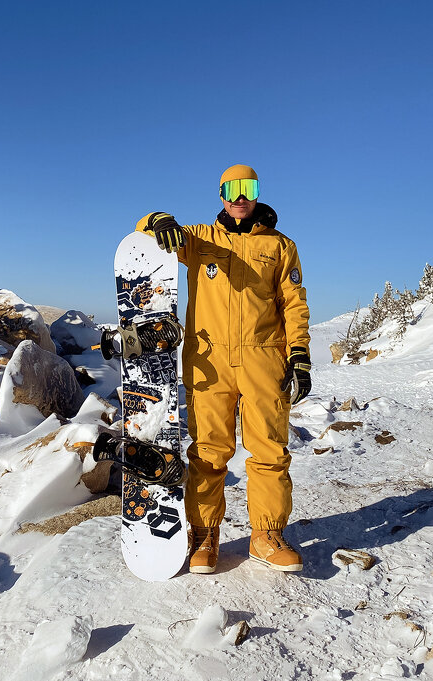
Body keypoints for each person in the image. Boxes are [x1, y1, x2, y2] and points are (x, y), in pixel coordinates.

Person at [136, 164, 312, 574]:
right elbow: (142, 237)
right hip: (208, 359)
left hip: (264, 358)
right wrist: (158, 220)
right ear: (220, 194)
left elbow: (294, 303)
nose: (239, 197)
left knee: (269, 449)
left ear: (256, 191)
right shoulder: (199, 239)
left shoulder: (281, 246)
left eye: (246, 188)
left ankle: (266, 535)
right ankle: (204, 534)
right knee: (208, 452)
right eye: (230, 189)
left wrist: (299, 354)